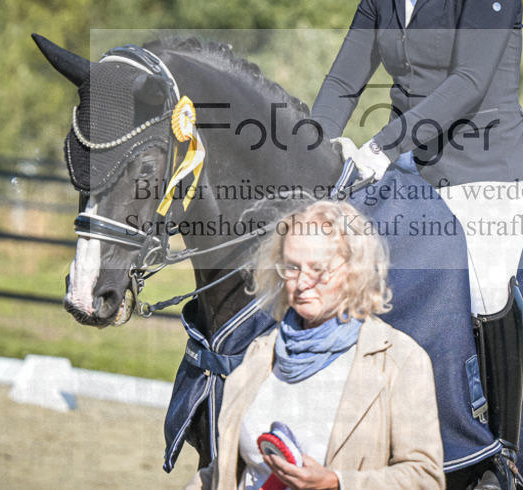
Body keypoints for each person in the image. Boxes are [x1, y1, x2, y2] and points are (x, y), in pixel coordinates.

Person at [309, 0, 523, 488]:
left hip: (484, 171)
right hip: (411, 172)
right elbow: (343, 83)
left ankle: (500, 451)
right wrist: (307, 153)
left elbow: (469, 82)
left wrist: (382, 146)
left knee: (486, 285)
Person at [185, 200, 445, 490]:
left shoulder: (400, 359)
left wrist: (335, 483)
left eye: (319, 269)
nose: (302, 283)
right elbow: (225, 471)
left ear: (354, 270)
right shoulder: (262, 351)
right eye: (292, 267)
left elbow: (425, 478)